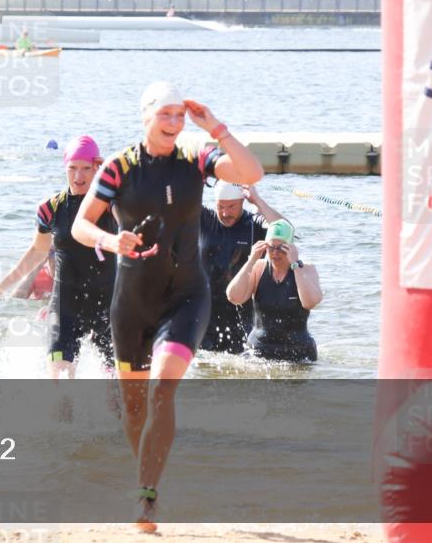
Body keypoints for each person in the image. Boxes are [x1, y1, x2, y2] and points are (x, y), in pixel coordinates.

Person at [71, 81, 263, 532]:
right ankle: (146, 472)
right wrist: (110, 241)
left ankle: (146, 496)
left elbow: (251, 173)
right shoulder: (118, 167)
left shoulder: (195, 158)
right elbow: (82, 224)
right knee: (135, 408)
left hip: (186, 296)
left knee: (162, 388)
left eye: (180, 115)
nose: (174, 123)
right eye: (166, 115)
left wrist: (215, 127)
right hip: (132, 304)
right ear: (146, 117)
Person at [0, 135, 116, 379]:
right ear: (64, 166)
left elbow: (141, 202)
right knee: (60, 384)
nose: (78, 176)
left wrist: (109, 175)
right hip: (65, 308)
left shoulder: (111, 205)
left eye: (86, 168)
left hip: (109, 309)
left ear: (96, 167)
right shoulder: (50, 208)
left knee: (119, 392)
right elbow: (37, 251)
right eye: (72, 168)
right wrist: (1, 286)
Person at [199, 181, 283, 353]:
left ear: (243, 201)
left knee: (244, 361)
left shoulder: (254, 223)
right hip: (206, 313)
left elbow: (284, 230)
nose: (225, 213)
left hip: (244, 314)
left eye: (231, 206)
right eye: (220, 206)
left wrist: (258, 201)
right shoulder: (204, 219)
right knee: (205, 364)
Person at [226, 219, 322, 362]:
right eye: (271, 248)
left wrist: (295, 265)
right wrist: (251, 260)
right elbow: (234, 297)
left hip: (299, 354)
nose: (275, 253)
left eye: (281, 248)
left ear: (291, 247)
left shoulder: (306, 269)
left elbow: (310, 302)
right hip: (259, 352)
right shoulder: (258, 268)